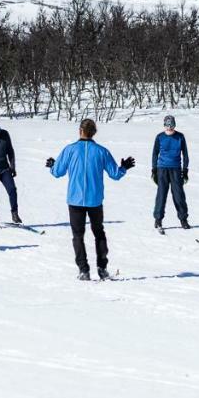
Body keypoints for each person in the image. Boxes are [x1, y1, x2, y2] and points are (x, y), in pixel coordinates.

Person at [46, 118, 134, 280]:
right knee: (98, 233)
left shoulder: (70, 150)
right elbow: (115, 174)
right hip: (95, 200)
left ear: (80, 130)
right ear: (94, 132)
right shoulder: (101, 151)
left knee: (78, 235)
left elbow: (57, 172)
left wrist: (52, 165)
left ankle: (83, 270)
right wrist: (124, 168)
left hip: (75, 200)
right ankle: (102, 268)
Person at [150, 114, 190, 233]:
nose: (169, 128)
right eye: (167, 126)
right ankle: (158, 219)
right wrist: (154, 170)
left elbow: (185, 154)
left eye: (171, 126)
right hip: (162, 169)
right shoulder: (159, 137)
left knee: (179, 195)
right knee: (161, 195)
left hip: (176, 169)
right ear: (164, 126)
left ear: (174, 125)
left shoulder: (180, 137)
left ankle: (183, 219)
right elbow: (155, 154)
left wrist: (185, 169)